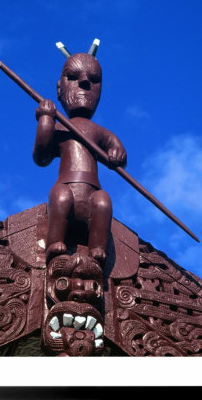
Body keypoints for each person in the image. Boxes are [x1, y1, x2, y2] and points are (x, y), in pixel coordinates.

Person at [33, 51, 127, 264]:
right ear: (59, 88)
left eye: (93, 80)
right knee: (61, 197)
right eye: (73, 77)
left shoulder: (98, 131)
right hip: (66, 185)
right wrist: (45, 120)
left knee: (103, 202)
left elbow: (117, 150)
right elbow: (41, 157)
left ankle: (97, 246)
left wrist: (117, 154)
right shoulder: (60, 128)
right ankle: (55, 241)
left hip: (92, 191)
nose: (84, 83)